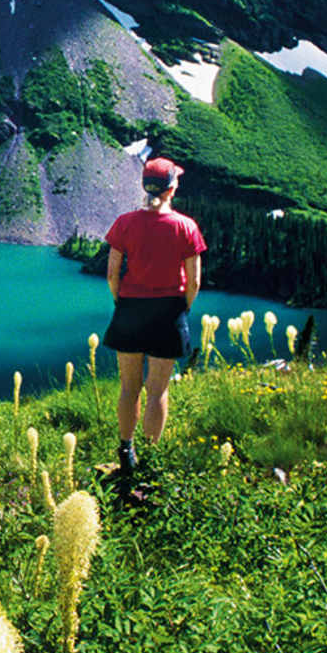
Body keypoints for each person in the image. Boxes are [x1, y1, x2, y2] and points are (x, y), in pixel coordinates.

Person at [103, 156, 206, 484]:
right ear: (172, 188)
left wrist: (122, 301)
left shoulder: (125, 222)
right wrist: (181, 308)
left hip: (131, 309)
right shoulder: (186, 226)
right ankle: (149, 457)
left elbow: (111, 273)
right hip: (168, 311)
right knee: (157, 390)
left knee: (129, 387)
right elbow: (194, 282)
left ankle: (125, 450)